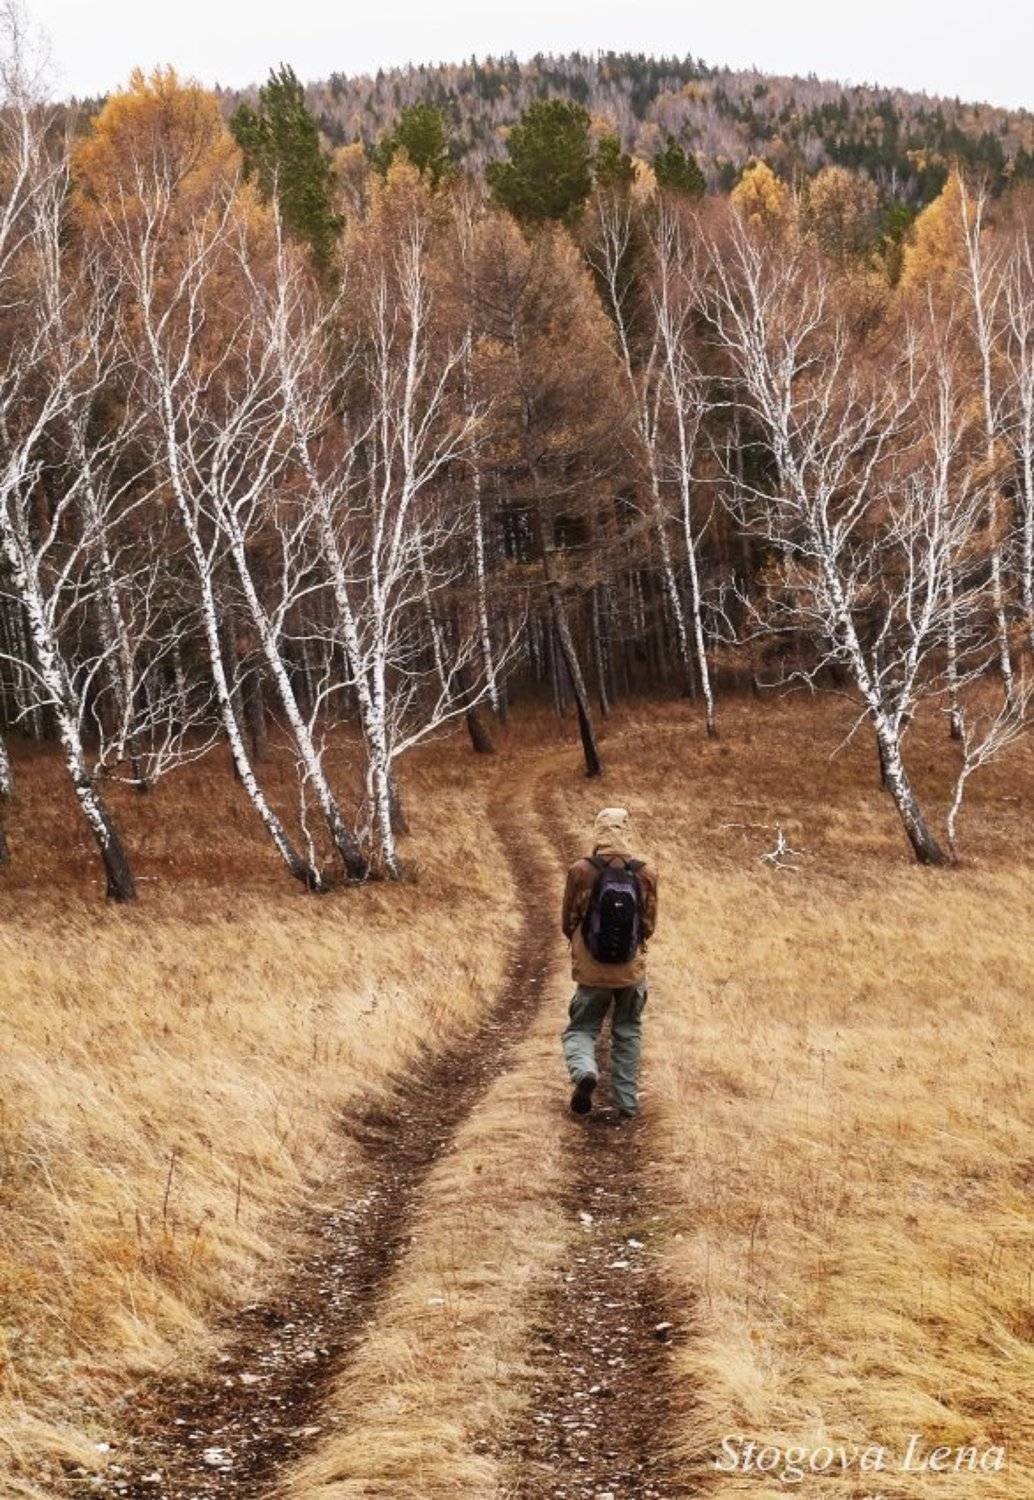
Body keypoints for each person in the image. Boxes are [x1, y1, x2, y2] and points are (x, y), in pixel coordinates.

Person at [560, 806, 658, 1119]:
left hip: (591, 970)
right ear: (627, 832)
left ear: (597, 832)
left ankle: (585, 1072)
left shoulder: (581, 870)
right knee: (628, 1031)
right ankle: (627, 1104)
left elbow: (568, 921)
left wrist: (583, 947)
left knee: (582, 1028)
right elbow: (649, 925)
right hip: (630, 971)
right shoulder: (645, 873)